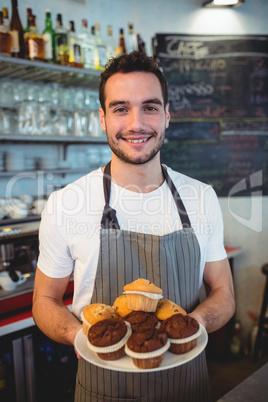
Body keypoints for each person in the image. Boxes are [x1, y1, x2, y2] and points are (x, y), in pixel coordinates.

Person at [32, 51, 235, 401]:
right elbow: (44, 300)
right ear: (102, 118)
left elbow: (224, 294)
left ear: (168, 115)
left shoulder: (201, 197)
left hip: (188, 387)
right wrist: (77, 335)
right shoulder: (66, 203)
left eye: (151, 107)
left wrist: (192, 327)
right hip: (103, 389)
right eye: (121, 108)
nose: (136, 123)